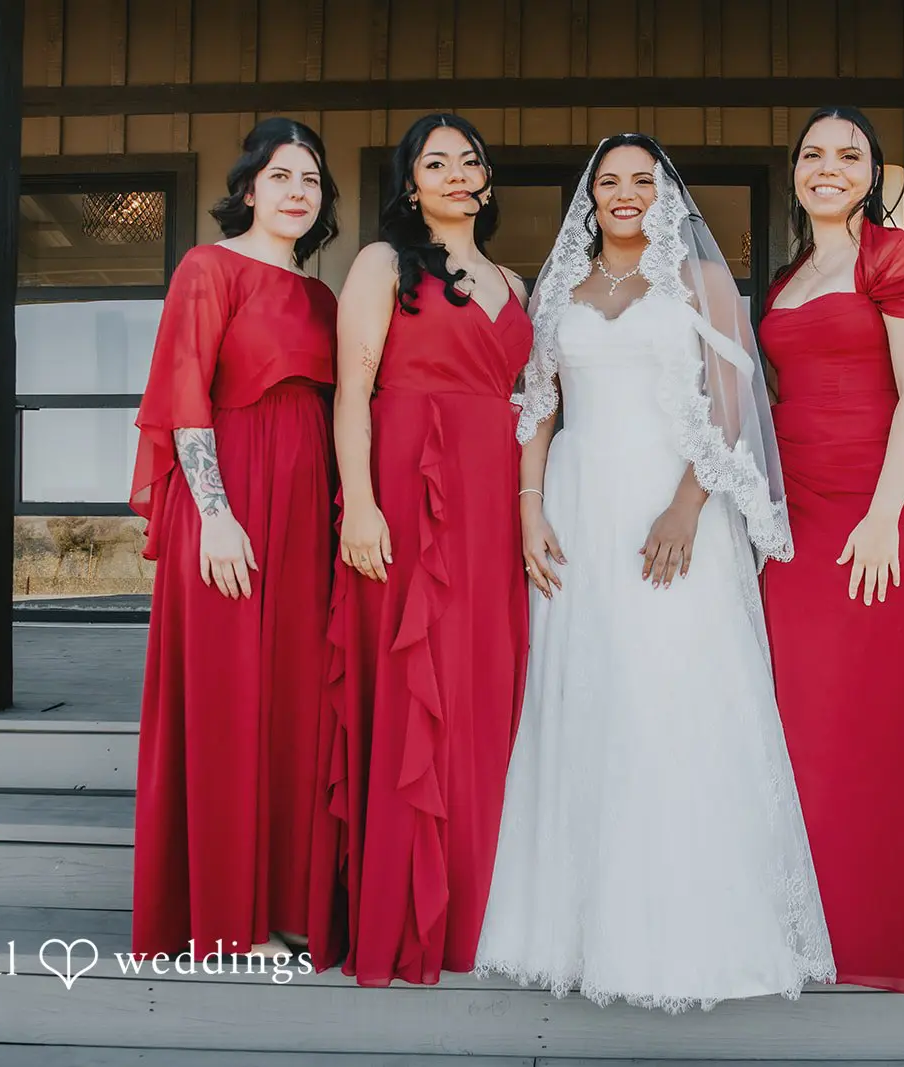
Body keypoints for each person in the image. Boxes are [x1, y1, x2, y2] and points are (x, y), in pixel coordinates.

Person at [472, 134, 834, 1013]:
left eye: (643, 180)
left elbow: (733, 403)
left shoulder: (701, 282)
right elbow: (540, 407)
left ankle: (686, 929)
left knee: (669, 696)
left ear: (666, 195)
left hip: (673, 511)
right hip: (577, 511)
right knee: (584, 696)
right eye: (609, 182)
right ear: (588, 197)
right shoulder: (558, 287)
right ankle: (571, 924)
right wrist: (528, 505)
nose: (625, 194)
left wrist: (686, 504)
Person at [314, 113, 533, 986]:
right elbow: (352, 392)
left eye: (467, 160)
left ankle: (484, 905)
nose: (452, 172)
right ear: (410, 184)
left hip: (492, 495)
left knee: (483, 682)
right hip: (406, 486)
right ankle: (407, 917)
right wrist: (359, 505)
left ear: (486, 181)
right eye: (431, 162)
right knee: (417, 684)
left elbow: (532, 400)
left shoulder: (516, 279)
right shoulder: (381, 264)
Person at [130, 117, 341, 959]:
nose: (297, 192)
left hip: (305, 515)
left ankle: (285, 903)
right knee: (227, 705)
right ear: (250, 187)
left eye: (312, 181)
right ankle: (225, 918)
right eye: (282, 176)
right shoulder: (207, 268)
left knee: (294, 706)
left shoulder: (324, 298)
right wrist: (215, 511)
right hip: (229, 508)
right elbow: (186, 391)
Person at [759, 106, 904, 997]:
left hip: (880, 513)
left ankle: (879, 936)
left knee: (875, 722)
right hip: (795, 514)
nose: (827, 168)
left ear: (872, 173)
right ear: (794, 171)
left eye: (848, 155)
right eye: (812, 154)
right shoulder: (789, 276)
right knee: (801, 717)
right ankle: (805, 923)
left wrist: (883, 515)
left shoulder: (893, 258)